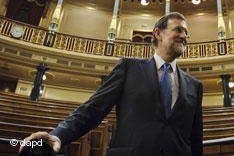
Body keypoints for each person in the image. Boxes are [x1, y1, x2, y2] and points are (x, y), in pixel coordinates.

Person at [21, 12, 203, 156]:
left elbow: (195, 138)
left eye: (186, 32)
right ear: (157, 33)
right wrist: (57, 135)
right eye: (178, 30)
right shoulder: (129, 68)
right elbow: (91, 110)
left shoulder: (194, 85)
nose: (184, 36)